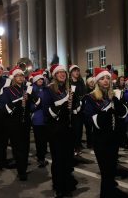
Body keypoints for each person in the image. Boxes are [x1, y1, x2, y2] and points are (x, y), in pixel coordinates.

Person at [84, 67, 128, 198]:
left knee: (112, 170)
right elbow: (93, 121)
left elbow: (123, 114)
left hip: (113, 139)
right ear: (97, 81)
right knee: (105, 171)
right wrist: (107, 110)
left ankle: (111, 191)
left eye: (108, 78)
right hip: (100, 140)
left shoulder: (112, 96)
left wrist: (119, 103)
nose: (106, 81)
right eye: (102, 78)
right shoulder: (90, 98)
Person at [43, 64, 78, 198]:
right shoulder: (49, 89)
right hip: (55, 129)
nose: (62, 74)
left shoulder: (69, 89)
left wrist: (75, 104)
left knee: (68, 158)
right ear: (55, 75)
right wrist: (62, 108)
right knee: (58, 159)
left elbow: (73, 110)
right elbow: (47, 109)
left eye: (64, 72)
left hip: (68, 128)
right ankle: (58, 186)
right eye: (59, 73)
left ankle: (67, 184)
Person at [0, 67, 31, 181]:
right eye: (18, 76)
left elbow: (34, 104)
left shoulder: (27, 89)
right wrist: (18, 102)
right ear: (14, 78)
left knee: (26, 145)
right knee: (17, 146)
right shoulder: (7, 90)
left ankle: (24, 164)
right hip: (13, 122)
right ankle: (21, 170)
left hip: (26, 121)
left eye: (22, 76)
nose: (20, 78)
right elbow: (4, 106)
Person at [29, 70, 49, 168]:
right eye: (39, 79)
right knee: (39, 139)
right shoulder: (31, 89)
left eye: (42, 79)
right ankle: (40, 158)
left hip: (46, 117)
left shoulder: (46, 89)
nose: (41, 80)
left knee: (44, 139)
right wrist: (36, 103)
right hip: (37, 118)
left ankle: (42, 156)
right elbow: (30, 106)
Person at [69, 64, 86, 155]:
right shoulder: (68, 82)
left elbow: (84, 93)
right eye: (75, 71)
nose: (77, 72)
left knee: (79, 128)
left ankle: (78, 145)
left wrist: (81, 102)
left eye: (78, 71)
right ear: (71, 72)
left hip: (80, 109)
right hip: (71, 110)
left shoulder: (80, 81)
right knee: (73, 128)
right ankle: (73, 146)